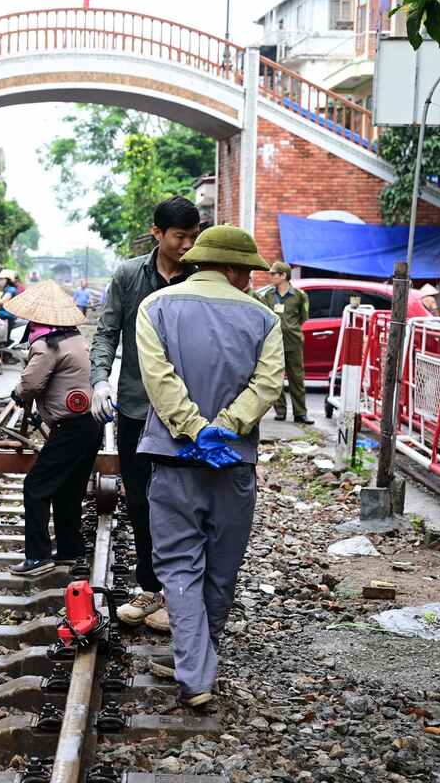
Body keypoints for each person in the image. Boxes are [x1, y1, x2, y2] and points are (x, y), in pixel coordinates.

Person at [134, 225, 284, 706]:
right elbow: (268, 385)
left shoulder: (155, 308)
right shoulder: (264, 319)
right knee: (222, 568)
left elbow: (159, 380)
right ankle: (198, 665)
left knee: (179, 565)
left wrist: (195, 429)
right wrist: (227, 426)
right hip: (234, 462)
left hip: (174, 459)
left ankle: (195, 671)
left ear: (201, 261)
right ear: (238, 270)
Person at [90, 195, 200, 633]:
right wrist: (100, 380)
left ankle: (180, 594)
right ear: (157, 233)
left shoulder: (200, 276)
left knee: (183, 501)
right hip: (137, 407)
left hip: (187, 410)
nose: (187, 246)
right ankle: (150, 586)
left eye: (193, 237)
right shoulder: (127, 275)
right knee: (139, 501)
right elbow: (106, 332)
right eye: (180, 237)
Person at [5, 281, 103, 576]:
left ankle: (38, 557)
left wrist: (18, 393)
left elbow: (31, 384)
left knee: (35, 487)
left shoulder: (47, 344)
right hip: (91, 424)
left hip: (71, 427)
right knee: (69, 489)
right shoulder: (75, 338)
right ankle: (71, 550)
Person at [256, 261, 313, 424]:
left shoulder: (300, 295)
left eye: (274, 274)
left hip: (293, 342)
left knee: (297, 378)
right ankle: (280, 411)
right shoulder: (267, 295)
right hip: (274, 342)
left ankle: (300, 413)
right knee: (276, 378)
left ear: (283, 275)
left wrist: (291, 328)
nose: (271, 276)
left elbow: (303, 317)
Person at [0, 270, 20, 340]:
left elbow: (2, 301)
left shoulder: (11, 290)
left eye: (1, 279)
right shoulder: (6, 289)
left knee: (5, 339)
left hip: (7, 317)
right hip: (2, 316)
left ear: (7, 280)